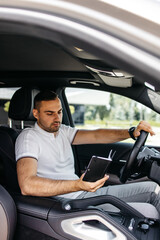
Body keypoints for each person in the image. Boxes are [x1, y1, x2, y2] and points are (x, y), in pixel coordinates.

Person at [15, 90, 160, 215]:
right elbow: (27, 185)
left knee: (155, 189)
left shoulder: (62, 131)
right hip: (70, 203)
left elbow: (96, 135)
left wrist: (130, 132)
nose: (57, 118)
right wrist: (78, 185)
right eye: (50, 113)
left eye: (59, 112)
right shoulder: (29, 137)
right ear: (36, 113)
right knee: (148, 211)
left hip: (84, 193)